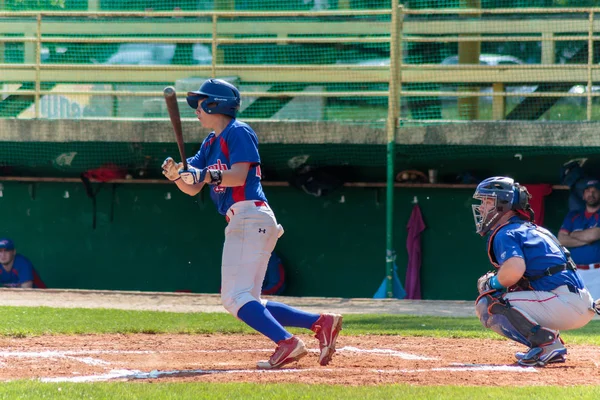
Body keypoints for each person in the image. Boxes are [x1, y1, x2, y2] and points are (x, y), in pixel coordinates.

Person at [161, 78, 343, 370]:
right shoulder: (210, 142)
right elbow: (192, 186)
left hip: (249, 215)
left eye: (200, 103)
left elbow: (238, 175)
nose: (196, 109)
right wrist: (177, 175)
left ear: (214, 104)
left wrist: (204, 175)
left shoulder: (238, 131)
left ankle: (288, 343)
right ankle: (320, 323)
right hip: (245, 220)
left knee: (234, 298)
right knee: (248, 298)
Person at [472, 176, 596, 367]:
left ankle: (547, 344)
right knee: (513, 291)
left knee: (488, 302)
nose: (481, 207)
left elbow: (514, 270)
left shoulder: (506, 232)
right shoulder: (534, 229)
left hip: (563, 303)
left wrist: (491, 283)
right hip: (580, 302)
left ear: (503, 204)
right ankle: (548, 344)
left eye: (487, 202)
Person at [558, 179, 600, 301]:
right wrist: (587, 238)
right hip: (578, 271)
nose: (591, 194)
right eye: (587, 191)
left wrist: (573, 234)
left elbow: (596, 234)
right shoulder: (574, 215)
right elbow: (562, 239)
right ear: (583, 195)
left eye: (594, 191)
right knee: (580, 310)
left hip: (598, 271)